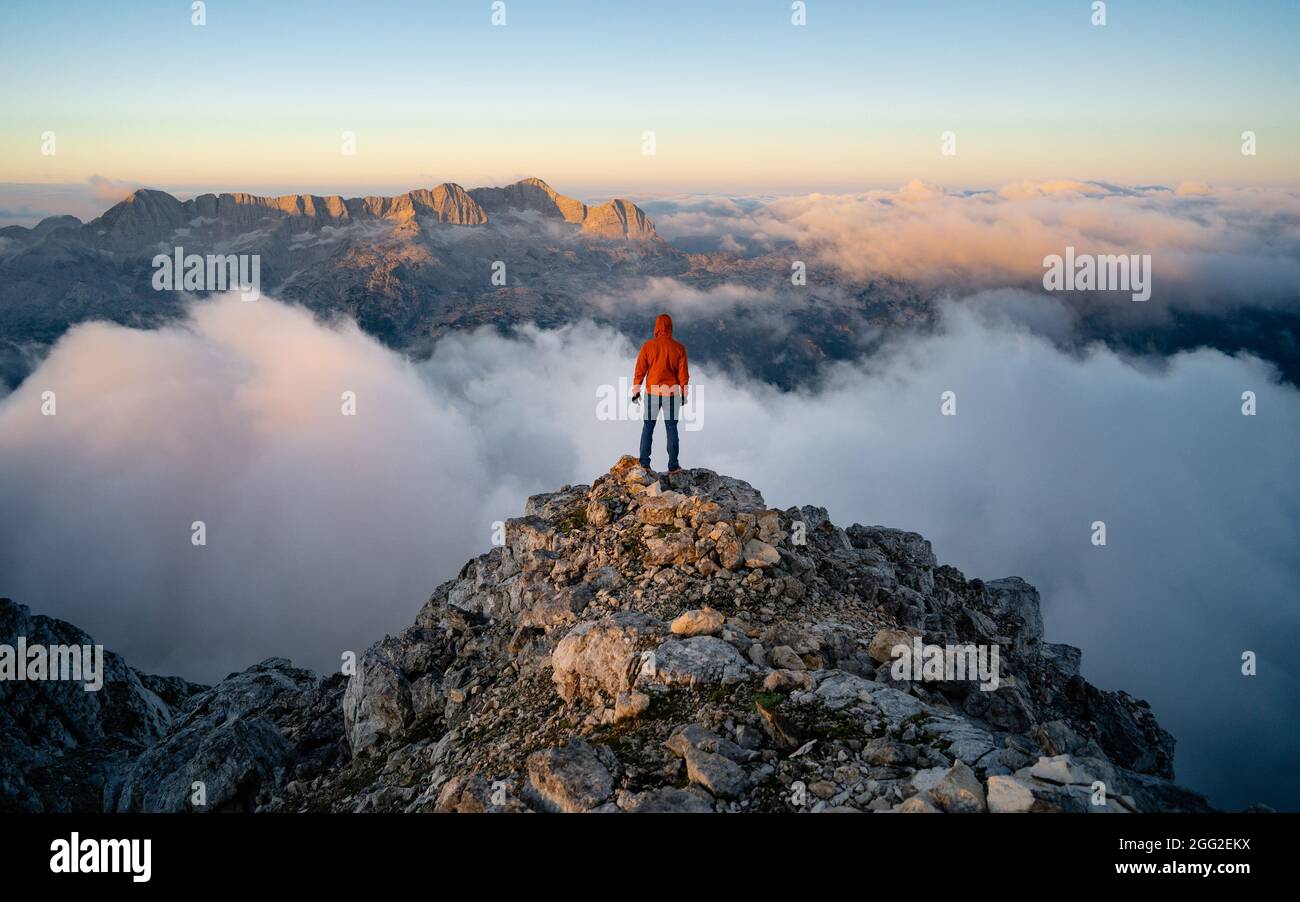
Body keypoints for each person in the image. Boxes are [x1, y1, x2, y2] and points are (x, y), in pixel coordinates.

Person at [631, 312, 689, 473]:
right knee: (671, 428)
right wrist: (684, 394)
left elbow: (640, 370)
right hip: (672, 394)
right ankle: (673, 466)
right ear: (670, 328)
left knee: (648, 427)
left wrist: (636, 390)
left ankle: (644, 463)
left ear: (656, 327)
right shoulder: (679, 348)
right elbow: (683, 375)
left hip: (652, 393)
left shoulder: (648, 346)